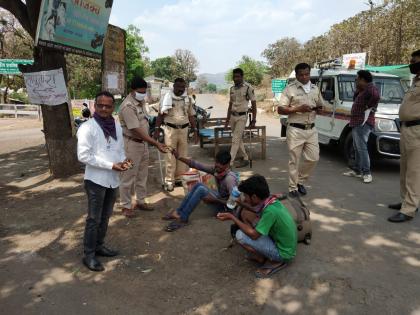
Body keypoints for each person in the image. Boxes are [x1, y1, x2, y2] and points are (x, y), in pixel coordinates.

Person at [77, 91, 130, 272]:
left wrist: (124, 161)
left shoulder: (115, 126)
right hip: (95, 180)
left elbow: (119, 150)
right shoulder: (87, 128)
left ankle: (99, 246)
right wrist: (111, 165)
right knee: (94, 218)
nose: (104, 109)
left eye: (108, 106)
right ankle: (89, 254)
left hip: (112, 180)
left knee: (106, 216)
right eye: (100, 105)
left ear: (113, 107)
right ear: (95, 106)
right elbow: (83, 156)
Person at [216, 175, 297, 278]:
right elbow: (256, 210)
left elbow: (254, 235)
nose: (245, 198)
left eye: (245, 196)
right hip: (286, 244)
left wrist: (232, 217)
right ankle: (264, 254)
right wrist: (239, 203)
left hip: (284, 253)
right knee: (247, 215)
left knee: (239, 235)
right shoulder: (271, 200)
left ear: (254, 197)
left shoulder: (270, 212)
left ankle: (272, 260)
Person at [118, 76, 168, 218]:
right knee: (128, 176)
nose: (143, 94)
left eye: (144, 91)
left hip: (143, 144)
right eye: (140, 91)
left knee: (142, 175)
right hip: (131, 145)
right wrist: (156, 143)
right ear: (132, 90)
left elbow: (144, 122)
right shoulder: (128, 106)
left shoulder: (141, 102)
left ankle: (140, 201)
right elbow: (135, 130)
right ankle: (126, 206)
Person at [278, 63, 324, 197]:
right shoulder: (289, 89)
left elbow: (320, 105)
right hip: (295, 130)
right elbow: (280, 109)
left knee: (313, 158)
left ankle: (300, 181)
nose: (304, 77)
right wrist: (298, 109)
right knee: (294, 160)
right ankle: (293, 187)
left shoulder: (315, 89)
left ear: (310, 74)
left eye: (307, 74)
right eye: (301, 74)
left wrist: (320, 109)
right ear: (297, 75)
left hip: (311, 130)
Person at [163, 150, 238, 232]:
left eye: (221, 164)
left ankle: (183, 218)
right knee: (198, 185)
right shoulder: (216, 169)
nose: (218, 166)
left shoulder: (230, 179)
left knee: (201, 190)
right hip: (220, 198)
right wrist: (179, 157)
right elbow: (196, 165)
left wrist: (214, 199)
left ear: (227, 165)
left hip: (226, 209)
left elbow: (233, 204)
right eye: (217, 162)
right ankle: (178, 212)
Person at [388, 50, 420, 223]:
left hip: (417, 130)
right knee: (405, 169)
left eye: (414, 61)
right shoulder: (415, 81)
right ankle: (406, 202)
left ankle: (409, 210)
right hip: (407, 129)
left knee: (414, 172)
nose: (411, 63)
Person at [154, 78, 198, 192]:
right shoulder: (166, 98)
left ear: (185, 87)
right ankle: (169, 181)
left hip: (184, 131)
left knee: (182, 156)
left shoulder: (188, 99)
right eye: (178, 87)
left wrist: (195, 130)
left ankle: (179, 178)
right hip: (170, 130)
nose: (180, 89)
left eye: (182, 87)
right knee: (170, 156)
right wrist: (157, 130)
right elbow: (160, 115)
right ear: (174, 87)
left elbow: (192, 116)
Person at [344, 70, 379, 183]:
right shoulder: (362, 89)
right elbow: (355, 100)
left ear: (363, 79)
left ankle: (367, 173)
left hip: (363, 122)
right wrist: (358, 90)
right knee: (356, 147)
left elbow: (376, 96)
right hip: (356, 121)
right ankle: (357, 169)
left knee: (362, 148)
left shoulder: (371, 88)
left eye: (357, 78)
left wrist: (369, 107)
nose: (355, 80)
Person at [224, 68, 257, 168]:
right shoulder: (232, 89)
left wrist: (254, 120)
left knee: (235, 139)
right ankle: (245, 158)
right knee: (238, 139)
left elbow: (254, 104)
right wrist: (227, 119)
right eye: (234, 77)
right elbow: (230, 105)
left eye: (238, 76)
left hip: (242, 117)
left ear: (242, 77)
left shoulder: (248, 88)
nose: (236, 78)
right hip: (233, 117)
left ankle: (229, 163)